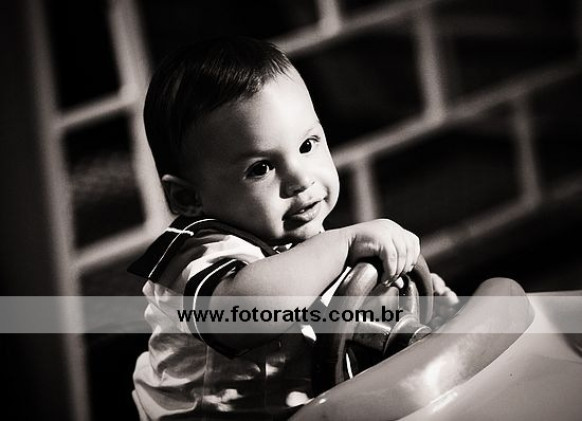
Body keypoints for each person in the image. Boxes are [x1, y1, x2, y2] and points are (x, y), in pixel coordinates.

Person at [128, 36, 457, 420]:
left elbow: (342, 313)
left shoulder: (305, 243)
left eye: (308, 145)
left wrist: (408, 301)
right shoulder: (196, 252)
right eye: (261, 168)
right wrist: (345, 243)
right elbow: (246, 312)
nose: (301, 179)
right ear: (188, 198)